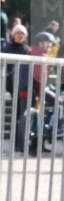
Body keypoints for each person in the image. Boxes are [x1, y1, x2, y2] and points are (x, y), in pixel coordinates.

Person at [2, 24, 31, 152]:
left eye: (22, 33)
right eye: (18, 33)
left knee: (22, 115)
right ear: (13, 35)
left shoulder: (27, 49)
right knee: (17, 114)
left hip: (24, 86)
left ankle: (21, 144)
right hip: (11, 85)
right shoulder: (6, 48)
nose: (20, 35)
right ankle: (17, 144)